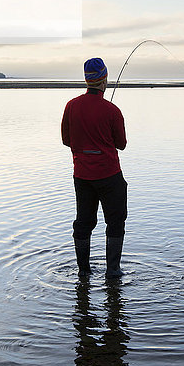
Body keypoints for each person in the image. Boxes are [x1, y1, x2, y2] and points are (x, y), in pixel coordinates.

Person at [61, 57, 128, 278]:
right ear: (104, 79)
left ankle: (84, 271)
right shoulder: (112, 110)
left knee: (84, 222)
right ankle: (113, 270)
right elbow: (121, 144)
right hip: (109, 175)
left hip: (82, 176)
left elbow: (66, 140)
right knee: (115, 221)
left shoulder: (71, 106)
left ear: (87, 80)